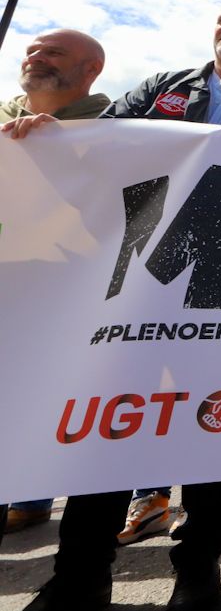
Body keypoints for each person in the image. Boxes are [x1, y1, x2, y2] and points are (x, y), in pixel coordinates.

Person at [8, 0, 221, 611]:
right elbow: (99, 145)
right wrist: (48, 132)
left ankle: (198, 568)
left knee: (215, 429)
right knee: (108, 427)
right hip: (140, 287)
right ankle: (81, 573)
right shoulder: (161, 88)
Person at [1, 30, 109, 535]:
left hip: (69, 293)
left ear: (91, 70)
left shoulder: (122, 128)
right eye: (32, 51)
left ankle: (32, 492)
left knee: (47, 397)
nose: (36, 58)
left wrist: (64, 146)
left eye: (54, 53)